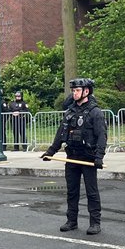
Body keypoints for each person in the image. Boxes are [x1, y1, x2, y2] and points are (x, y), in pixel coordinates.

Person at [40, 78, 107, 235]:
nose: (74, 93)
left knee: (92, 192)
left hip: (88, 157)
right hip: (72, 157)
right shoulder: (70, 112)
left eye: (77, 90)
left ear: (86, 91)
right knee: (72, 191)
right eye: (73, 90)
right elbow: (61, 133)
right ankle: (71, 221)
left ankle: (95, 223)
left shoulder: (95, 112)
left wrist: (99, 156)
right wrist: (51, 151)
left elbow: (102, 135)